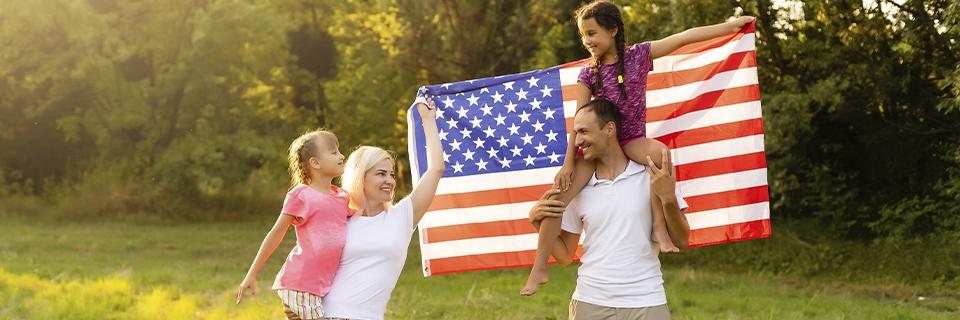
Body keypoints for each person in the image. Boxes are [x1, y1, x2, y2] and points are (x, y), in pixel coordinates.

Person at [523, 0, 755, 295]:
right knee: (557, 197)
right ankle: (539, 268)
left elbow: (683, 37)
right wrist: (569, 163)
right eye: (583, 35)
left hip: (630, 140)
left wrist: (729, 26)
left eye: (592, 33)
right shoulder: (588, 74)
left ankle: (659, 228)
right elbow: (578, 122)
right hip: (595, 145)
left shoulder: (639, 56)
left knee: (659, 154)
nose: (587, 41)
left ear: (613, 30)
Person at [528, 98, 690, 319]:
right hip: (590, 302)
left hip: (647, 301)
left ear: (609, 129)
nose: (577, 141)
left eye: (584, 132)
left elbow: (681, 241)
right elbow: (565, 256)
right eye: (576, 133)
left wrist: (668, 198)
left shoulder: (650, 172)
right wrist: (536, 220)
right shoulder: (578, 187)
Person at [319, 98, 444, 320]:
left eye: (391, 174)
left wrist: (427, 120)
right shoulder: (338, 217)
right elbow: (307, 263)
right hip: (328, 314)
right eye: (380, 174)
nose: (389, 180)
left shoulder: (402, 216)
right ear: (361, 177)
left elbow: (436, 168)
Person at [235, 129, 352, 320]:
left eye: (339, 151)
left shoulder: (342, 196)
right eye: (333, 152)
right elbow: (276, 234)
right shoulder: (301, 195)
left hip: (324, 286)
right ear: (315, 163)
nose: (342, 156)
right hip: (300, 284)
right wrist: (252, 273)